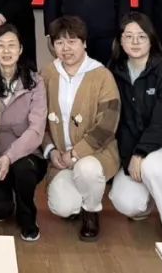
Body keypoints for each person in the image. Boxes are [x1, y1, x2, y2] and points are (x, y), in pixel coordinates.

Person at [108, 13, 162, 242]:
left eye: (141, 36)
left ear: (151, 39)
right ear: (120, 41)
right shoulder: (114, 71)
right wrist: (130, 157)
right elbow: (119, 123)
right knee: (126, 202)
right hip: (137, 152)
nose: (135, 42)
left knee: (153, 165)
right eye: (129, 36)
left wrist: (141, 152)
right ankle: (154, 199)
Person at [40, 16, 121, 242]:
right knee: (63, 207)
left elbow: (107, 124)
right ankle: (80, 200)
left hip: (95, 154)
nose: (65, 48)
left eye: (72, 41)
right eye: (59, 42)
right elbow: (38, 121)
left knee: (87, 170)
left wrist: (75, 153)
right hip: (60, 158)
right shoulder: (47, 74)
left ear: (84, 43)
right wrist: (51, 151)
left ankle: (91, 211)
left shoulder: (102, 75)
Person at [0, 24, 48, 242]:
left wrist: (9, 156)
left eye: (12, 45)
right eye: (0, 46)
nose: (6, 51)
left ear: (21, 49)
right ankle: (5, 196)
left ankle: (28, 216)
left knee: (23, 169)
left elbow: (36, 130)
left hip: (27, 154)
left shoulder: (35, 82)